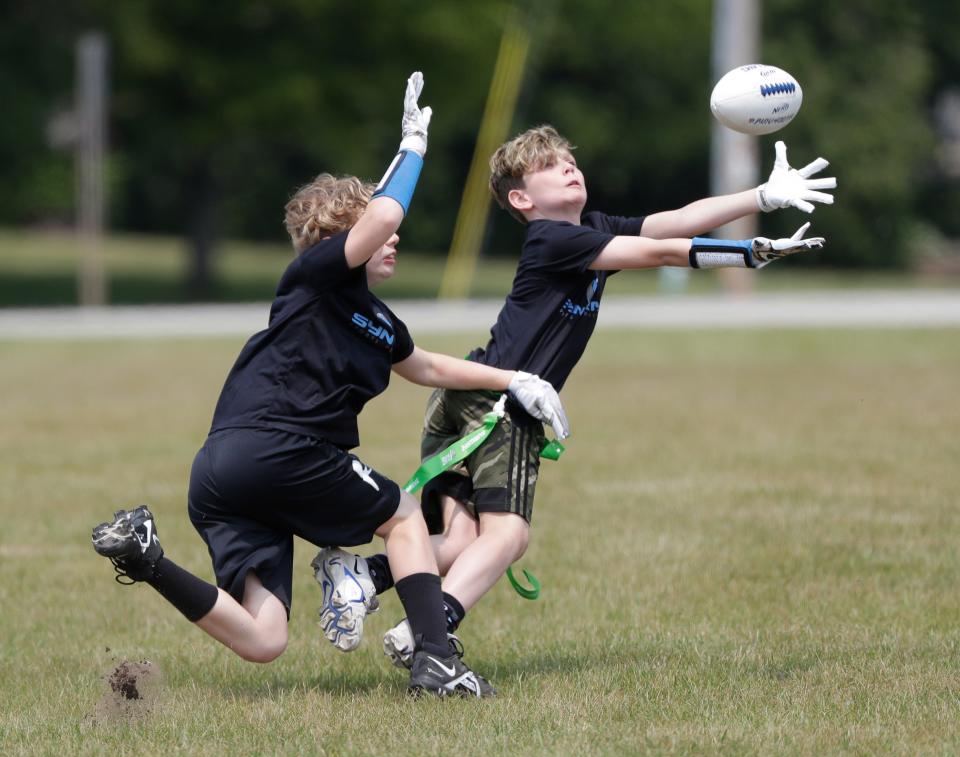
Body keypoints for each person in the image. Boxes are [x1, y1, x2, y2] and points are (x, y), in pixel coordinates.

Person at [89, 76, 569, 699]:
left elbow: (423, 366)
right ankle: (435, 658)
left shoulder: (376, 318)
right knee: (402, 517)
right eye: (375, 228)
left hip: (221, 472)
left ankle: (146, 557)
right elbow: (389, 213)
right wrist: (413, 149)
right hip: (278, 447)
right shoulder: (314, 277)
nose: (393, 236)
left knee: (264, 640)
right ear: (344, 239)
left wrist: (516, 379)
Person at [326, 123, 836, 669]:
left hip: (466, 390)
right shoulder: (553, 239)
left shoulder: (591, 229)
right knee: (509, 536)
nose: (569, 167)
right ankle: (430, 631)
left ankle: (366, 575)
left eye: (569, 160)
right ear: (521, 199)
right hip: (502, 402)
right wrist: (747, 253)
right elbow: (663, 252)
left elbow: (677, 220)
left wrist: (760, 197)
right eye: (549, 166)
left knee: (462, 538)